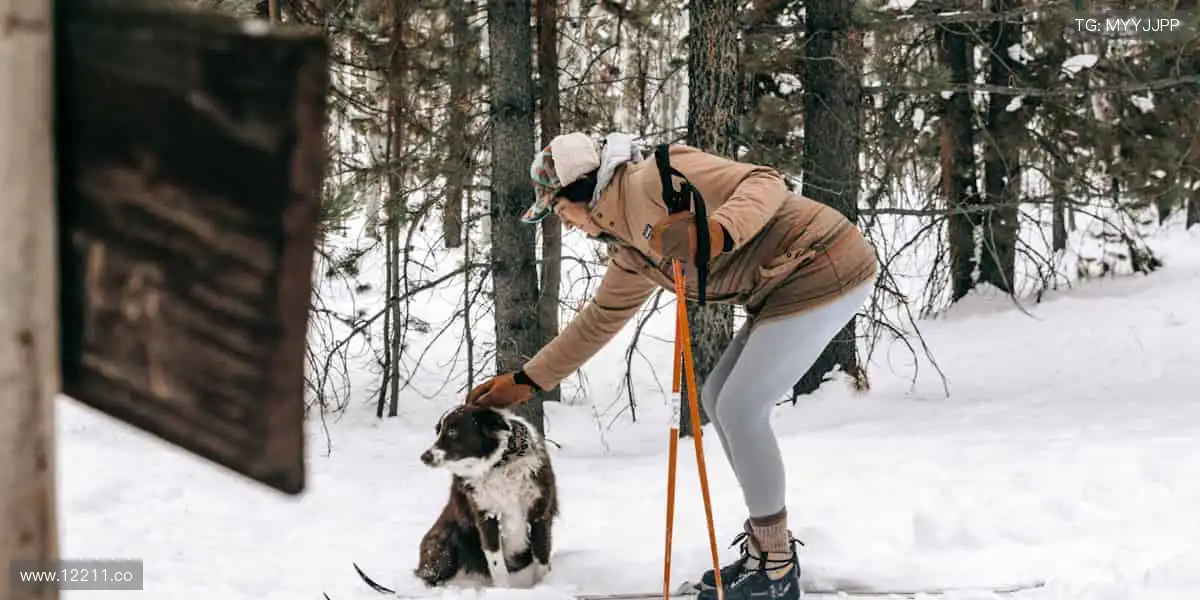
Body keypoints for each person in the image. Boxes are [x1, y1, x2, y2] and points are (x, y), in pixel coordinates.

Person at [466, 131, 878, 600]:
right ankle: (767, 553)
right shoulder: (630, 249)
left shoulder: (657, 177)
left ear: (582, 190)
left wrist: (717, 231)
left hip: (823, 262)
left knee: (741, 408)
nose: (566, 224)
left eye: (560, 210)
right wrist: (527, 380)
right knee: (719, 400)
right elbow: (600, 319)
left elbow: (764, 182)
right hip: (782, 284)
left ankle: (777, 565)